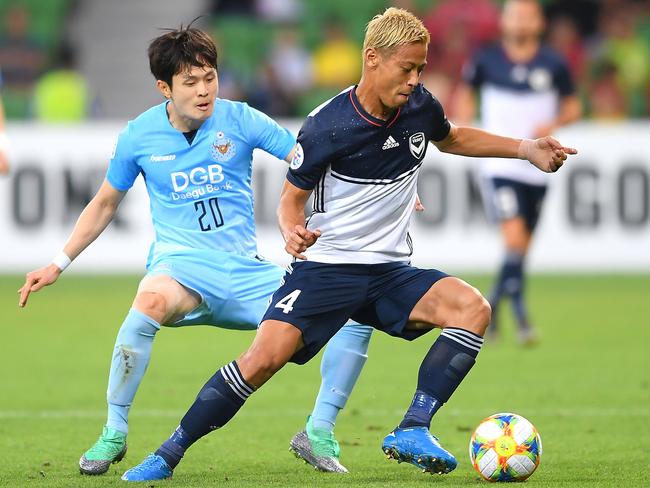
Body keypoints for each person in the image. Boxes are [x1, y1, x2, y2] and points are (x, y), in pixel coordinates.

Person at [122, 8, 575, 481]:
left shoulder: (420, 106)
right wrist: (290, 229)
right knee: (260, 362)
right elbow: (289, 200)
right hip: (327, 271)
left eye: (421, 68)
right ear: (373, 59)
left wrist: (526, 149)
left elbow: (454, 138)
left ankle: (413, 427)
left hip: (390, 273)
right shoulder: (327, 127)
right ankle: (167, 454)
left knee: (472, 309)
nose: (415, 79)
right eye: (407, 68)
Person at [18, 24, 372, 476]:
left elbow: (310, 160)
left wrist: (381, 188)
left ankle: (318, 431)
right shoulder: (138, 136)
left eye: (210, 78)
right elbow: (105, 202)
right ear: (164, 87)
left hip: (247, 272)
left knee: (355, 315)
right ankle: (114, 431)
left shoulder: (241, 119)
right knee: (145, 305)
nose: (204, 90)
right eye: (190, 82)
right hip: (181, 268)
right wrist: (58, 263)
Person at [454, 0, 581, 344]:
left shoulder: (553, 62)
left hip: (541, 167)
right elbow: (464, 97)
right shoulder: (486, 59)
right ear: (504, 22)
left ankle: (503, 312)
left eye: (528, 16)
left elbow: (573, 106)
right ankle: (506, 313)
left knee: (520, 248)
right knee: (513, 240)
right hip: (501, 164)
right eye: (515, 15)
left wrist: (553, 122)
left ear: (540, 22)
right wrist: (461, 125)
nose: (521, 22)